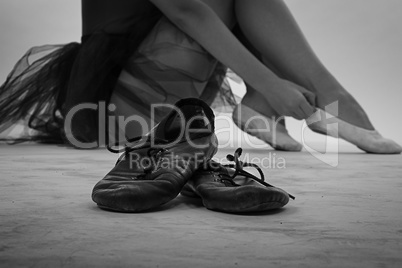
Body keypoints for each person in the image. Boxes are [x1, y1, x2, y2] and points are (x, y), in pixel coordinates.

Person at [0, 0, 401, 154]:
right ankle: (303, 102)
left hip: (156, 93)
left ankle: (328, 95)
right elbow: (186, 11)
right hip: (119, 111)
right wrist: (272, 84)